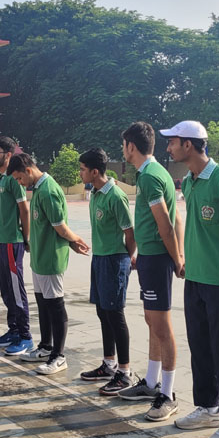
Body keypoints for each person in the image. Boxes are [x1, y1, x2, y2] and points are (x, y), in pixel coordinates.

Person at [161, 121, 219, 438]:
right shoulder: (189, 180)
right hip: (195, 277)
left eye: (172, 142)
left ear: (189, 144)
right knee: (200, 346)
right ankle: (208, 407)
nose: (168, 148)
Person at [116, 122, 184, 423]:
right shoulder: (152, 174)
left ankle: (167, 394)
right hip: (150, 256)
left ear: (131, 146)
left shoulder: (152, 177)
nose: (123, 151)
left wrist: (177, 258)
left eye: (123, 145)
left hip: (158, 259)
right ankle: (152, 381)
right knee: (151, 320)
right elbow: (175, 219)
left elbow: (166, 223)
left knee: (162, 325)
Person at [8, 153, 90, 374]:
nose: (20, 183)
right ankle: (45, 346)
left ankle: (58, 356)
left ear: (28, 170)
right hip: (39, 258)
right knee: (43, 304)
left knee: (55, 305)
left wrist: (75, 240)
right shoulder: (39, 189)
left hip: (51, 258)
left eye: (19, 178)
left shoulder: (49, 190)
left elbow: (60, 227)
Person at [78, 148, 137, 396]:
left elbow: (130, 233)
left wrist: (127, 258)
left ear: (94, 171)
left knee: (115, 314)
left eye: (82, 169)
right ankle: (109, 363)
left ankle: (125, 372)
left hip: (114, 260)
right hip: (100, 259)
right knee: (103, 312)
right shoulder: (95, 194)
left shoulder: (115, 196)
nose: (79, 173)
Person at [0, 137, 33, 356]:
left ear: (7, 154)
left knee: (16, 290)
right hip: (2, 241)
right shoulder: (1, 178)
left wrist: (26, 238)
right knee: (6, 289)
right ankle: (13, 330)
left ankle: (25, 337)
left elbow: (24, 210)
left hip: (13, 242)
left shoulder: (15, 180)